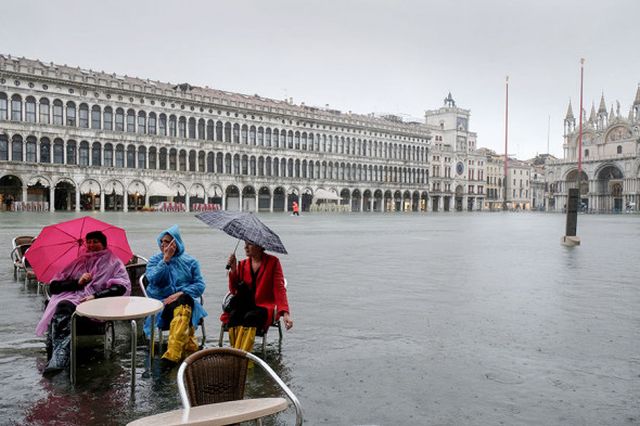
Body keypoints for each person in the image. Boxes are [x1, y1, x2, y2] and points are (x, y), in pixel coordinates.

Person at [35, 231, 131, 376]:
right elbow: (54, 287)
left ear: (104, 244)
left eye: (95, 241)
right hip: (73, 303)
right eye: (89, 241)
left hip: (98, 307)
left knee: (62, 309)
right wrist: (78, 282)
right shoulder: (77, 261)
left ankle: (57, 357)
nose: (91, 245)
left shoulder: (113, 263)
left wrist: (95, 296)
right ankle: (58, 356)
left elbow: (122, 286)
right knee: (60, 306)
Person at [145, 225, 206, 370]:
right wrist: (165, 260)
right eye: (162, 241)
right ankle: (183, 347)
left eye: (167, 242)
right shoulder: (155, 261)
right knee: (185, 302)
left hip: (185, 301)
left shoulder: (190, 262)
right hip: (163, 304)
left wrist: (181, 292)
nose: (163, 245)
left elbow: (200, 285)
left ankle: (173, 353)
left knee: (184, 299)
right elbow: (153, 280)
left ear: (176, 243)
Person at [222, 241, 293, 352]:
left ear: (260, 246)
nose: (245, 247)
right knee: (234, 316)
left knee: (251, 316)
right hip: (245, 304)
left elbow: (279, 289)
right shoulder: (242, 264)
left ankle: (243, 357)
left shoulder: (273, 262)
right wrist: (233, 269)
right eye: (245, 243)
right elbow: (233, 290)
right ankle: (234, 352)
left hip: (264, 307)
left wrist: (285, 313)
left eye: (249, 244)